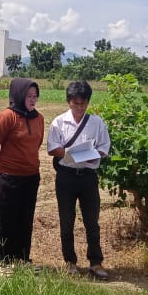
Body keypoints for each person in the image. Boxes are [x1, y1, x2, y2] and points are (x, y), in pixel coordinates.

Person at [47, 80, 112, 279]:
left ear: (88, 102)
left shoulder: (97, 123)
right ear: (68, 102)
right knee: (66, 221)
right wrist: (70, 153)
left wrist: (95, 154)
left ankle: (96, 262)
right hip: (66, 176)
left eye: (83, 103)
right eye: (75, 103)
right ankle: (70, 261)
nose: (79, 107)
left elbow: (104, 147)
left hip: (88, 176)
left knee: (92, 221)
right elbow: (52, 148)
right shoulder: (59, 122)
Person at [0, 78, 44, 272]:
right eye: (28, 96)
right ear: (18, 95)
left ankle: (22, 259)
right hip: (9, 177)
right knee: (6, 220)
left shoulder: (39, 118)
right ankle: (3, 262)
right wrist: (5, 163)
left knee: (25, 219)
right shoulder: (7, 117)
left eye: (35, 96)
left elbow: (36, 144)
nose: (32, 99)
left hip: (31, 176)